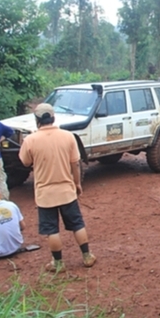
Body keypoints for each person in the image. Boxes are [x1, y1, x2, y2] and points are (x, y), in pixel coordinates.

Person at [19, 103, 96, 272]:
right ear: (53, 117)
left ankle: (58, 263)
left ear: (37, 119)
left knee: (52, 230)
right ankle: (87, 256)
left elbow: (25, 162)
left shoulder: (30, 140)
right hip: (66, 191)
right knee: (77, 224)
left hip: (45, 194)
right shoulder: (68, 136)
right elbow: (75, 163)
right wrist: (77, 184)